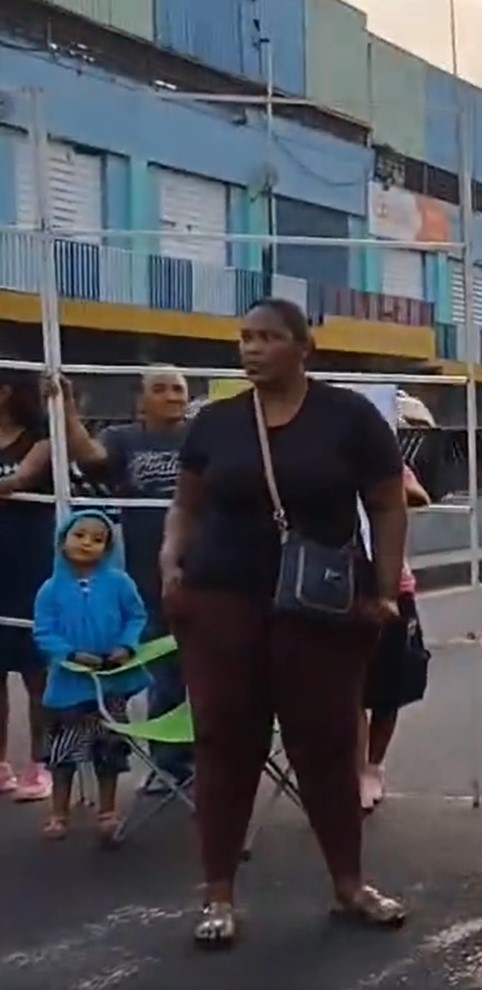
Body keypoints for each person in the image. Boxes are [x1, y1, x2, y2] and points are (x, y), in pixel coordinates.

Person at [161, 298, 410, 947]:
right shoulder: (215, 422)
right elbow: (185, 505)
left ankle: (349, 885)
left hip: (320, 604)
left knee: (327, 744)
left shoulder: (349, 418)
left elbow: (386, 505)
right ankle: (217, 895)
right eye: (244, 337)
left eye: (267, 337)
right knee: (224, 740)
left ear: (304, 347)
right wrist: (171, 564)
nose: (251, 348)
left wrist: (385, 590)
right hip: (222, 599)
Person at [58, 368, 193, 792]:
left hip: (204, 570)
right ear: (141, 400)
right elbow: (90, 457)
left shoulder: (199, 437)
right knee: (165, 674)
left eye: (178, 389)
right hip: (148, 575)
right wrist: (65, 410)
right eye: (161, 389)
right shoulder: (125, 438)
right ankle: (171, 766)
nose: (172, 396)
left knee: (212, 673)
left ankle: (213, 760)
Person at [33, 510, 151, 842]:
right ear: (62, 540)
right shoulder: (50, 589)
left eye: (98, 539)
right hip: (68, 685)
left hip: (110, 682)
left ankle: (108, 810)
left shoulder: (120, 583)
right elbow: (44, 632)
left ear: (109, 547)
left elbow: (137, 616)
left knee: (109, 750)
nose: (87, 543)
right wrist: (69, 653)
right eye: (80, 535)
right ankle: (58, 812)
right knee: (62, 755)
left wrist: (126, 646)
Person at [359, 461, 433, 811]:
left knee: (389, 687)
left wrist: (377, 493)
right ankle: (355, 770)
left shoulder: (382, 455)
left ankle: (373, 766)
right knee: (349, 692)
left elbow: (419, 497)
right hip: (336, 585)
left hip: (392, 587)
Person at [0, 369, 55, 802]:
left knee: (37, 672)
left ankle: (40, 764)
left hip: (30, 562)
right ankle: (1, 763)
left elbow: (18, 479)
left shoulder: (39, 438)